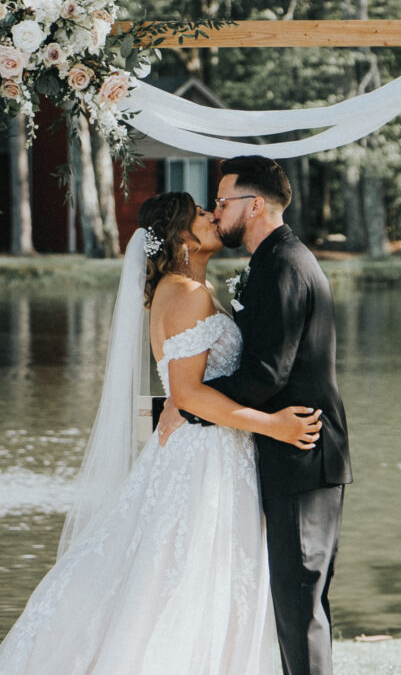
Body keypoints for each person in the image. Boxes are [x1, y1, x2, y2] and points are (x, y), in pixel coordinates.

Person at [0, 191, 321, 675]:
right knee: (185, 578)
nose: (214, 218)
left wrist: (175, 405)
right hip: (206, 458)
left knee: (180, 574)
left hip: (210, 448)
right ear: (182, 237)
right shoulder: (185, 293)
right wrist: (274, 426)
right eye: (203, 215)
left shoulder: (183, 289)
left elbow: (184, 389)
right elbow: (190, 394)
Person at [160, 156, 353, 675]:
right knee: (298, 604)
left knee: (299, 607)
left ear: (256, 205)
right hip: (291, 451)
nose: (218, 212)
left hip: (301, 451)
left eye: (224, 203)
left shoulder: (283, 266)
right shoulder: (269, 262)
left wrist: (189, 403)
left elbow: (267, 374)